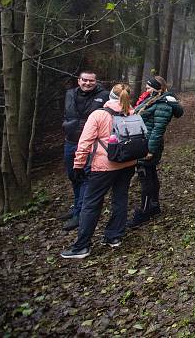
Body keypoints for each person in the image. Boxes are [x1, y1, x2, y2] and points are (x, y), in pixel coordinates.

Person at [60, 84, 137, 258]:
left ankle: (82, 246)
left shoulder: (99, 115)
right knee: (120, 199)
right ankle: (114, 236)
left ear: (109, 96)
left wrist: (78, 165)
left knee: (91, 204)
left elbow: (84, 142)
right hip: (127, 164)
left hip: (104, 166)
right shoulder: (133, 113)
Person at [128, 76, 184, 228]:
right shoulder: (154, 100)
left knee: (146, 176)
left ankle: (145, 210)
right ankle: (154, 205)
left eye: (148, 88)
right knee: (150, 174)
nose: (146, 91)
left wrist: (150, 150)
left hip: (148, 145)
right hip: (144, 142)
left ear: (157, 88)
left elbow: (158, 129)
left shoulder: (163, 103)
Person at [60, 70, 107, 231]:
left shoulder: (104, 96)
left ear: (96, 82)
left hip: (91, 144)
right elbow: (66, 114)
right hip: (71, 141)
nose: (88, 83)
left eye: (91, 81)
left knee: (85, 177)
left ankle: (80, 214)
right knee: (73, 175)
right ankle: (76, 207)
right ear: (79, 80)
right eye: (84, 80)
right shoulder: (70, 94)